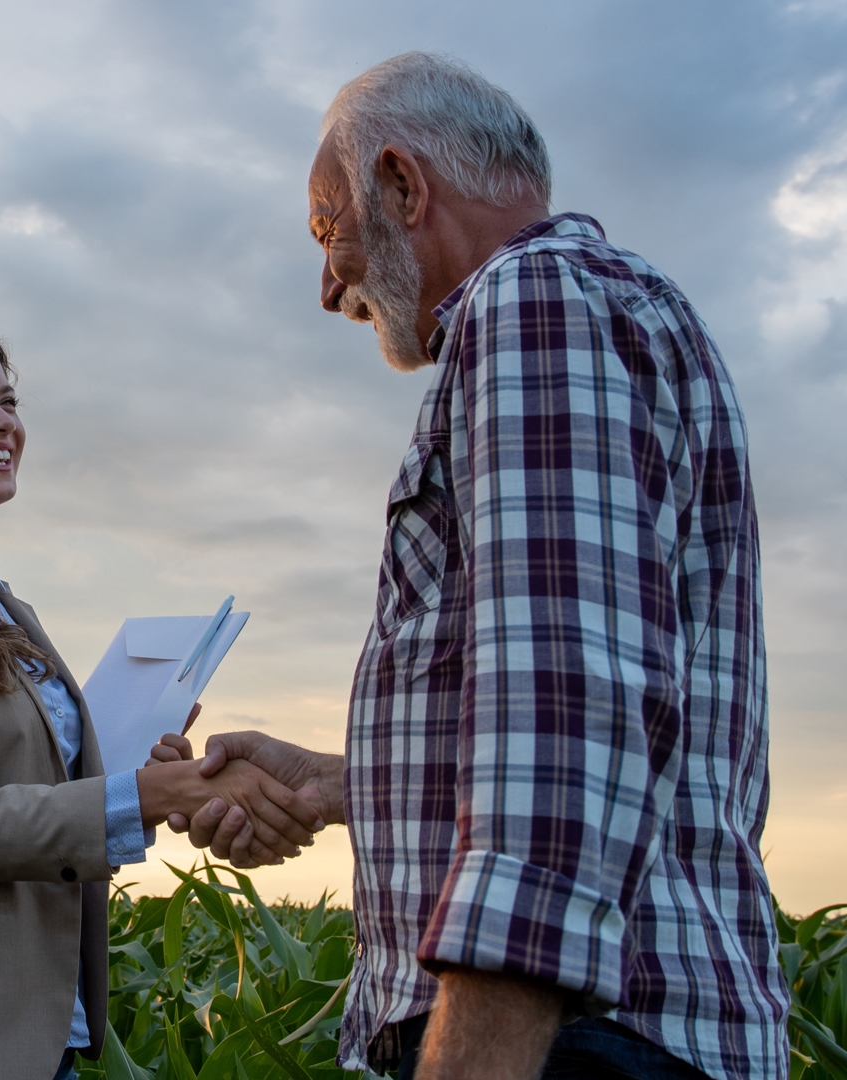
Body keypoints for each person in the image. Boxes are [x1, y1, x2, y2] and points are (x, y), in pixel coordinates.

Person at [154, 53, 789, 1080]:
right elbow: (619, 718)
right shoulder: (618, 308)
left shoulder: (533, 302)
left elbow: (565, 718)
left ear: (404, 187)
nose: (329, 286)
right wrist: (334, 783)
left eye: (330, 231)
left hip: (569, 1044)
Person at [0, 315, 315, 1080]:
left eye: (8, 400)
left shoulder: (5, 606)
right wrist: (140, 794)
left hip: (36, 1035)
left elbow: (36, 802)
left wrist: (144, 768)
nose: (1, 420)